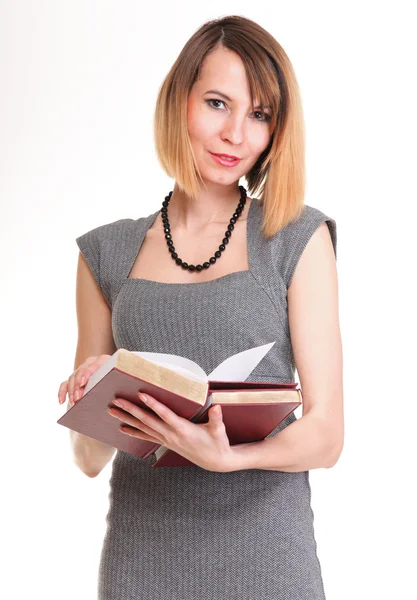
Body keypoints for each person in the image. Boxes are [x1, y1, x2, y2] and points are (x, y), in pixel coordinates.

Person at [58, 14, 343, 600]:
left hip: (271, 566)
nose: (236, 133)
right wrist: (95, 397)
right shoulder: (105, 254)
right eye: (218, 103)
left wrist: (231, 459)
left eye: (259, 115)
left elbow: (327, 434)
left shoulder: (296, 238)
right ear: (179, 101)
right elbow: (87, 459)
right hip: (143, 565)